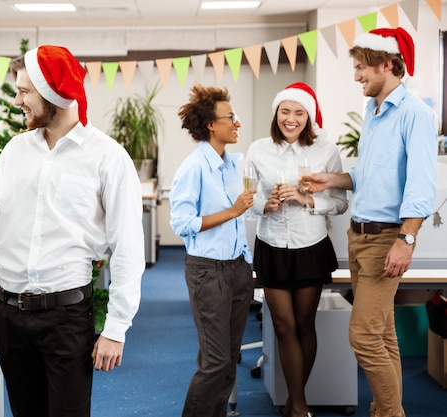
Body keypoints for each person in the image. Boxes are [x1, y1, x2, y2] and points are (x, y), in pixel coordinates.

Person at [0, 45, 145, 417]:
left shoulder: (107, 157)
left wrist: (116, 328)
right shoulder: (14, 150)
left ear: (53, 93)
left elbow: (127, 247)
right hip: (9, 313)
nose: (17, 101)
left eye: (24, 91)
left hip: (66, 317)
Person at [309, 27, 437, 417]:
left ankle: (389, 414)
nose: (356, 76)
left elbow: (420, 184)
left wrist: (406, 240)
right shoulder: (374, 111)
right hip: (360, 236)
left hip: (386, 240)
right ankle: (389, 411)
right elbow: (372, 175)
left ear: (387, 64)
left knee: (362, 336)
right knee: (382, 335)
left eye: (361, 67)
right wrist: (333, 180)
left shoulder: (415, 113)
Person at [245, 82, 348, 417]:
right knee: (283, 326)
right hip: (272, 244)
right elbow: (246, 201)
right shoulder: (258, 149)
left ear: (309, 116)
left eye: (299, 112)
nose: (291, 119)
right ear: (276, 114)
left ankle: (294, 402)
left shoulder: (326, 149)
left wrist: (306, 199)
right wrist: (266, 203)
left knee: (305, 324)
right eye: (285, 111)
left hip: (310, 245)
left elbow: (340, 203)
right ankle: (299, 404)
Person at [169, 84, 255, 417]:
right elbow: (182, 223)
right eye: (230, 117)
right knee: (216, 361)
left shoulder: (234, 165)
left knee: (228, 359)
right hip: (208, 271)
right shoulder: (193, 168)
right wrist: (232, 212)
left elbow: (242, 211)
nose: (237, 123)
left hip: (237, 269)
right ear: (210, 124)